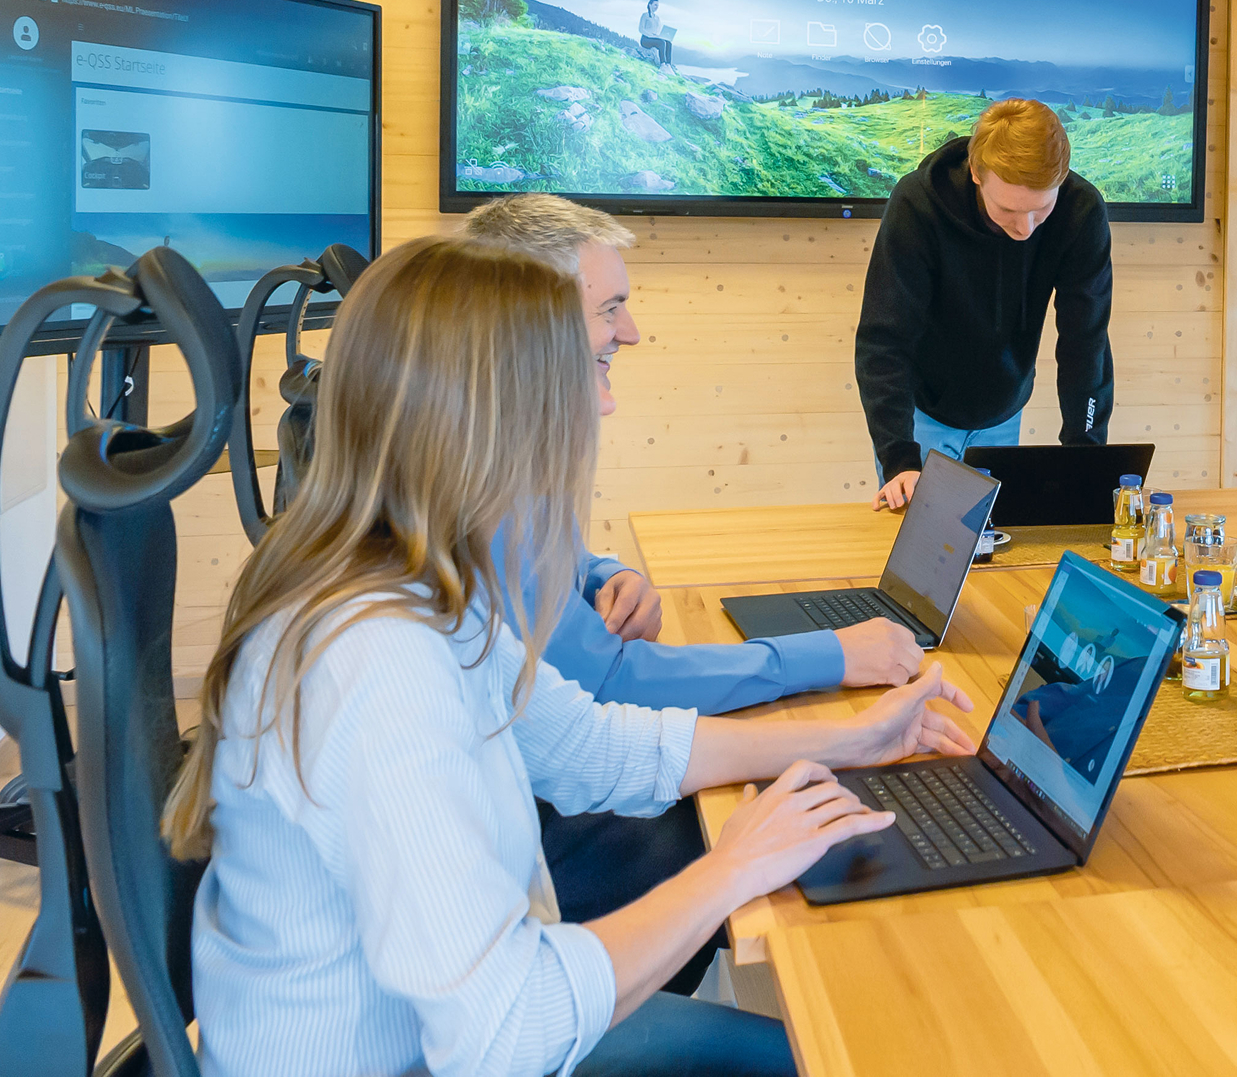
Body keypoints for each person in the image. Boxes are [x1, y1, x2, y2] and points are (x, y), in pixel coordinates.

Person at [163, 235, 977, 1077]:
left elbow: (593, 746)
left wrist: (855, 742)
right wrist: (732, 869)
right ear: (504, 413)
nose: (606, 406)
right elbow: (506, 1033)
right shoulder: (381, 664)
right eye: (590, 373)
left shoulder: (420, 575)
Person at [460, 193, 922, 988]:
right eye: (611, 309)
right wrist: (828, 661)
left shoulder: (486, 448)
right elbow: (611, 688)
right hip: (517, 912)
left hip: (517, 857)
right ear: (529, 326)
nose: (630, 332)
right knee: (764, 833)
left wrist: (607, 574)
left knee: (755, 805)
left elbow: (564, 594)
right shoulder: (476, 496)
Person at [856, 98, 1113, 512]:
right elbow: (884, 341)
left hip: (1004, 409)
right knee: (922, 555)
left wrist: (1084, 452)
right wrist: (898, 457)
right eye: (1008, 210)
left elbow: (1086, 340)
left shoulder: (1081, 212)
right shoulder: (918, 204)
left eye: (1041, 208)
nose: (1025, 228)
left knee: (991, 549)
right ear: (977, 173)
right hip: (922, 415)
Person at [637, 0, 674, 66]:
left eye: (658, 6)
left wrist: (661, 35)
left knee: (668, 43)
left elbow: (658, 29)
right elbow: (641, 29)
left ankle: (668, 64)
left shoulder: (657, 18)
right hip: (646, 39)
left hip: (655, 38)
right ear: (650, 5)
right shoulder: (645, 15)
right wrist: (650, 35)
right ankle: (662, 63)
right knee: (661, 43)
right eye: (655, 5)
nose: (657, 7)